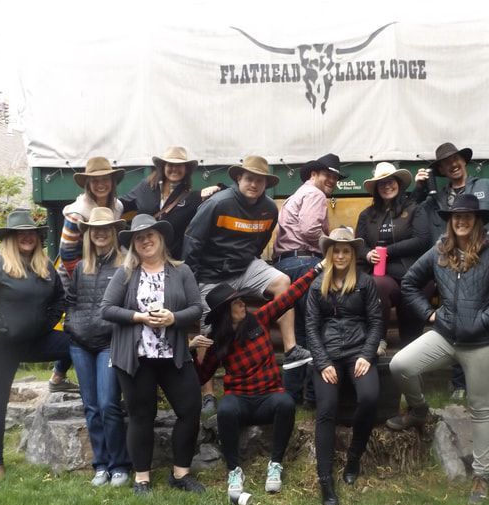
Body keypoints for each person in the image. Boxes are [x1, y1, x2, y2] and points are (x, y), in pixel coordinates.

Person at [386, 195, 489, 504]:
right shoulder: (439, 251)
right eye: (456, 216)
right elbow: (409, 283)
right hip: (446, 337)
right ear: (450, 219)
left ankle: (482, 476)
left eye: (468, 216)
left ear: (476, 219)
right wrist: (431, 315)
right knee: (400, 365)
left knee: (480, 407)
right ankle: (419, 411)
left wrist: (482, 319)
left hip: (484, 343)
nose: (461, 221)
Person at [183, 155, 312, 411]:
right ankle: (207, 392)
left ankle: (290, 348)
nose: (254, 184)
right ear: (239, 178)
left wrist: (246, 262)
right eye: (249, 178)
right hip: (211, 274)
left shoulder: (269, 209)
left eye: (260, 180)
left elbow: (260, 242)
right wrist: (193, 281)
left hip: (244, 267)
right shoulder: (218, 204)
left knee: (282, 281)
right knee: (210, 325)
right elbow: (192, 242)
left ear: (266, 184)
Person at [191, 262, 323, 499]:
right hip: (240, 400)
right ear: (225, 311)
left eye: (241, 300)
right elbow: (202, 376)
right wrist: (193, 352)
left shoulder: (259, 319)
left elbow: (289, 296)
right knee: (225, 410)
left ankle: (275, 465)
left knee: (286, 403)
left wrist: (316, 270)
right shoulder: (217, 341)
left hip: (269, 397)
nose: (243, 304)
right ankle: (234, 470)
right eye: (237, 302)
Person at [101, 214, 204, 495]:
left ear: (161, 239)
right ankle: (142, 478)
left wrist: (173, 318)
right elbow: (107, 308)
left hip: (173, 355)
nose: (145, 240)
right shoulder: (126, 273)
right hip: (135, 356)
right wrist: (139, 317)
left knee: (190, 409)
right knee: (141, 415)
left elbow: (196, 308)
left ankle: (180, 473)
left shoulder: (181, 271)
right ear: (134, 244)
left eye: (150, 235)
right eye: (139, 237)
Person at [0, 210, 70, 477]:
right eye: (20, 233)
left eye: (31, 233)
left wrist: (45, 325)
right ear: (11, 238)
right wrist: (4, 329)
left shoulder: (45, 267)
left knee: (77, 342)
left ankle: (62, 378)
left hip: (34, 342)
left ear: (38, 238)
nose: (27, 237)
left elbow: (60, 299)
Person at [413, 142, 489, 401]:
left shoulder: (486, 187)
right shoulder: (439, 196)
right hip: (451, 264)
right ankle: (458, 382)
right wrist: (420, 189)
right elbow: (414, 213)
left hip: (484, 262)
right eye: (446, 163)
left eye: (455, 159)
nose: (452, 165)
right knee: (454, 313)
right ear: (442, 170)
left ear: (463, 161)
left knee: (485, 319)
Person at [306, 227, 384, 505]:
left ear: (353, 255)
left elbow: (376, 322)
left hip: (357, 351)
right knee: (326, 409)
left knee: (369, 397)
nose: (340, 255)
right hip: (327, 352)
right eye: (335, 250)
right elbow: (311, 328)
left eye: (345, 251)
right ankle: (325, 480)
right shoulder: (317, 286)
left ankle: (354, 456)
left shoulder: (365, 283)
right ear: (329, 254)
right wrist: (323, 361)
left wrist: (366, 354)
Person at [64, 207, 131, 487]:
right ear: (89, 234)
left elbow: (129, 304)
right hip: (80, 344)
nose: (100, 233)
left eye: (106, 229)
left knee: (108, 404)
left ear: (114, 232)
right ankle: (101, 464)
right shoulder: (81, 266)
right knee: (90, 406)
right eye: (95, 229)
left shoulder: (125, 266)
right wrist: (72, 325)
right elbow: (71, 298)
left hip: (109, 343)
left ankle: (120, 464)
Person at [272, 153, 344, 404]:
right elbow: (310, 231)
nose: (332, 180)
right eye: (328, 175)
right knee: (316, 327)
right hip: (307, 264)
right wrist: (333, 244)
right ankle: (314, 397)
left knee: (298, 333)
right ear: (314, 173)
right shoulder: (315, 195)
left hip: (286, 265)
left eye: (335, 177)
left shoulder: (296, 195)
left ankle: (292, 397)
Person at [51, 156, 127, 393]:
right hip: (76, 271)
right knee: (80, 323)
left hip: (105, 268)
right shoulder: (77, 213)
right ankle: (58, 375)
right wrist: (87, 278)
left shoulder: (117, 206)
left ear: (113, 182)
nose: (101, 184)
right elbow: (67, 252)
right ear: (88, 184)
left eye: (105, 179)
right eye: (95, 181)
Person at [357, 161, 428, 355]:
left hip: (413, 272)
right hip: (382, 273)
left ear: (399, 183)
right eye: (382, 183)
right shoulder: (367, 215)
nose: (387, 186)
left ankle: (412, 346)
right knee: (377, 284)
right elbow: (359, 243)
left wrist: (387, 250)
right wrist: (367, 253)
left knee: (418, 291)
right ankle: (378, 339)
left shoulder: (414, 208)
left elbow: (422, 240)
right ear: (376, 189)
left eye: (391, 181)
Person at [120, 146, 222, 261]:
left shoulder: (193, 198)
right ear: (163, 166)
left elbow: (225, 199)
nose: (174, 169)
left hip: (171, 260)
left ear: (186, 169)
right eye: (170, 165)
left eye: (179, 165)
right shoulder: (145, 187)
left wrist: (217, 188)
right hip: (141, 257)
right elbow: (121, 204)